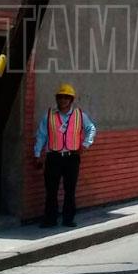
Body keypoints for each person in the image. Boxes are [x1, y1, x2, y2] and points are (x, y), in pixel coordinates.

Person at [34, 83, 97, 228]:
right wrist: (37, 153)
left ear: (71, 100)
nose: (63, 100)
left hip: (72, 157)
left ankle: (68, 219)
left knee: (70, 190)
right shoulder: (49, 115)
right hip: (53, 157)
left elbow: (91, 128)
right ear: (57, 99)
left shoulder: (80, 115)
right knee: (51, 190)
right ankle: (50, 219)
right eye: (60, 97)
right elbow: (41, 135)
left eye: (66, 98)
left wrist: (85, 144)